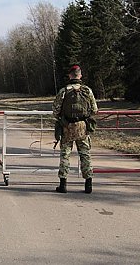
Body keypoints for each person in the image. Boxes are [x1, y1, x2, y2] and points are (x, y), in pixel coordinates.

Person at [52, 65, 98, 194]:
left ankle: (63, 185)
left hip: (67, 127)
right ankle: (88, 185)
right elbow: (94, 110)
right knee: (85, 155)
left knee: (65, 155)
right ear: (80, 75)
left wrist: (62, 119)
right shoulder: (87, 90)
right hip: (82, 128)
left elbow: (55, 110)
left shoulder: (64, 91)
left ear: (70, 75)